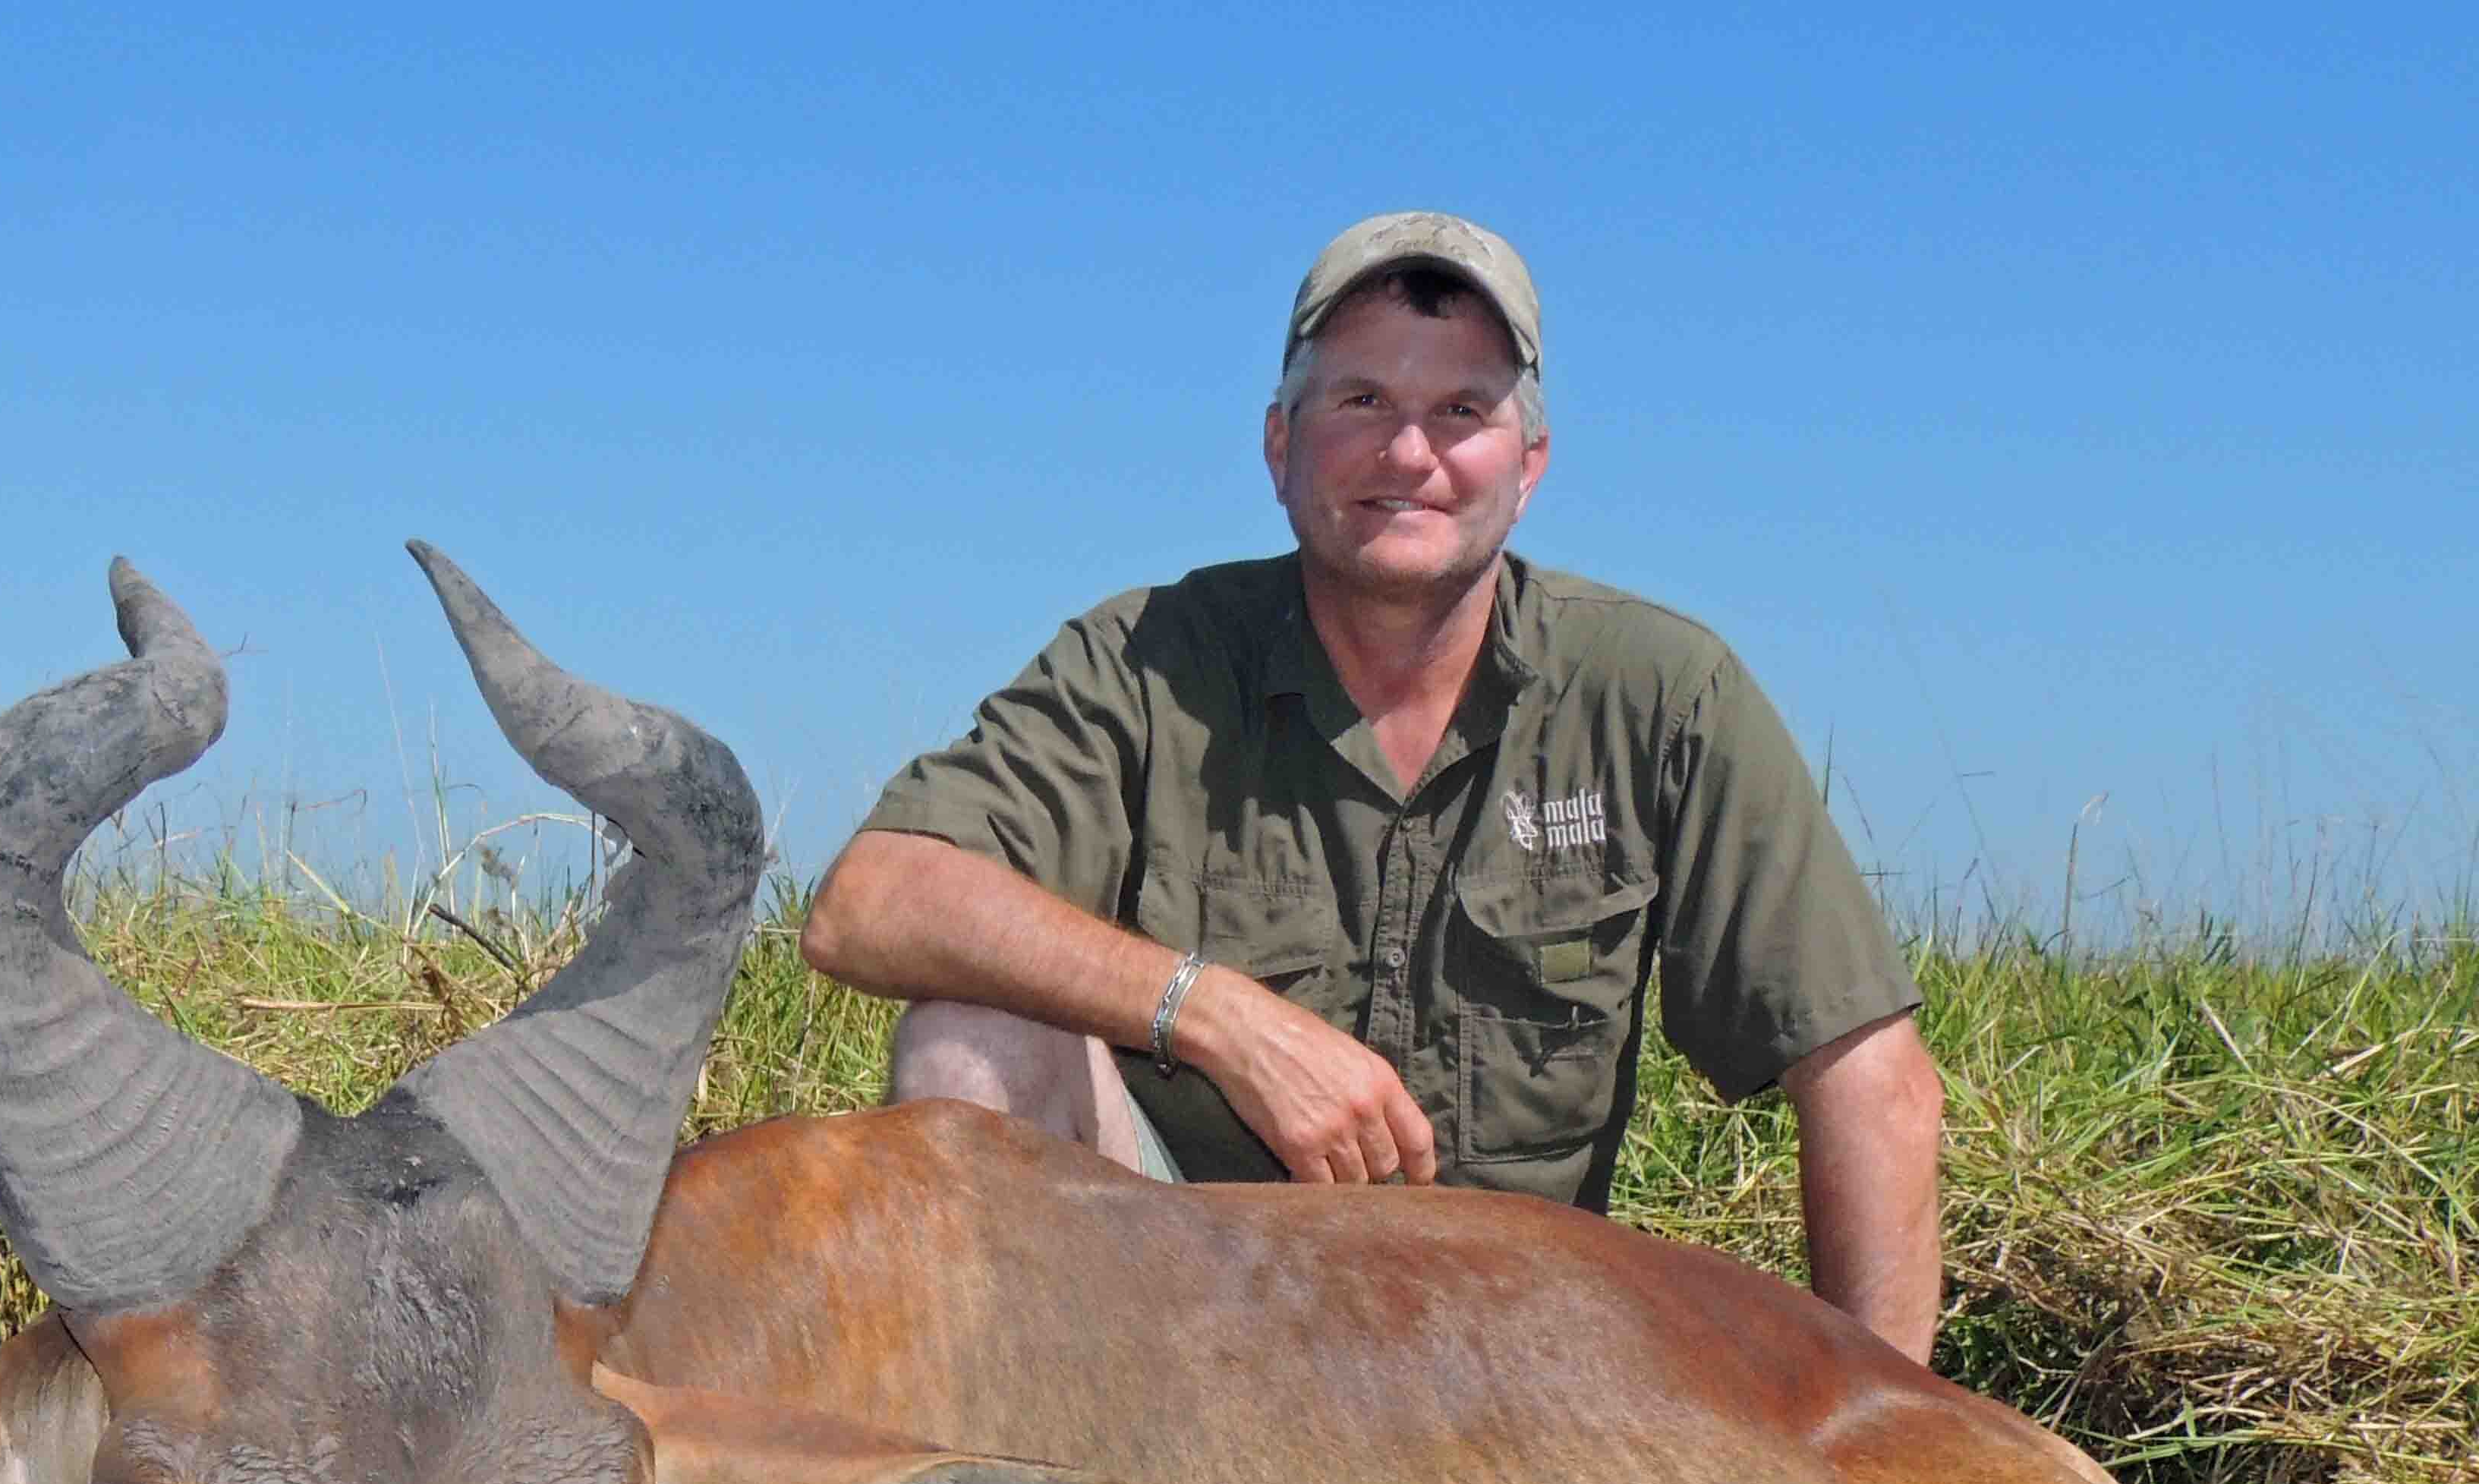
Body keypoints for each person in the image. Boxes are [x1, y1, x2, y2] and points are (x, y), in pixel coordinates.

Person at [799, 212, 1947, 1361]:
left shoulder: (1660, 689)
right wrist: (1217, 1016)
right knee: (968, 1038)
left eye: (1463, 411)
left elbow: (1872, 1078)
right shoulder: (1148, 660)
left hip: (1521, 1350)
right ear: (1279, 443)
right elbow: (873, 902)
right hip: (1181, 1324)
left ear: (1530, 464)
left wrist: (1896, 1458)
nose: (1410, 455)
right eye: (1361, 404)